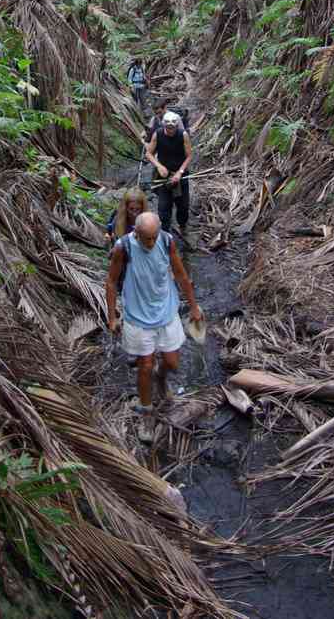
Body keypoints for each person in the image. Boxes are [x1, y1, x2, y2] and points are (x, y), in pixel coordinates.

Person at [106, 212, 202, 442]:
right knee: (145, 366)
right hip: (137, 316)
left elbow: (180, 274)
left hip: (166, 311)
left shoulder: (167, 241)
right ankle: (146, 412)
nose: (150, 243)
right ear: (135, 233)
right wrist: (111, 316)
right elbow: (110, 281)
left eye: (153, 237)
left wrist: (194, 306)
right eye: (145, 238)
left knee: (171, 363)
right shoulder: (123, 247)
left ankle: (161, 379)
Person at [145, 111, 192, 237]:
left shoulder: (183, 135)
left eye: (173, 128)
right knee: (164, 207)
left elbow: (189, 156)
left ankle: (182, 226)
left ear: (176, 126)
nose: (170, 130)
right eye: (168, 128)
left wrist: (180, 172)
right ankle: (165, 233)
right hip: (163, 177)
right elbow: (148, 153)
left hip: (180, 176)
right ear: (164, 126)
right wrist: (159, 166)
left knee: (183, 206)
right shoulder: (158, 134)